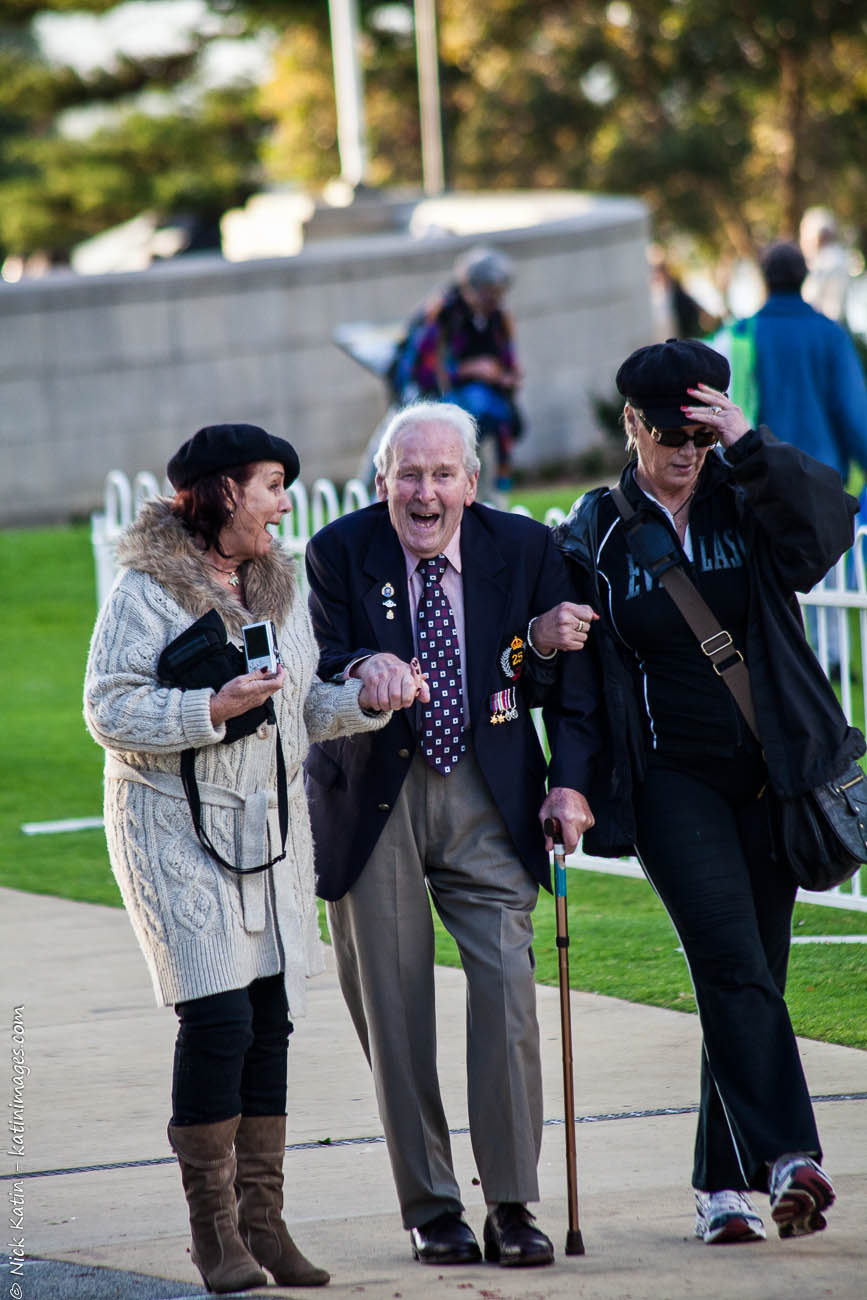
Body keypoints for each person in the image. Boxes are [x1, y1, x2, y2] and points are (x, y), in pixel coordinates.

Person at [84, 423, 407, 1294]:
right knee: (218, 1018)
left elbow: (299, 708)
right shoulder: (145, 591)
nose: (283, 502)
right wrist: (211, 709)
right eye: (271, 484)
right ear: (224, 490)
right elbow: (108, 710)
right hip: (169, 827)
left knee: (270, 1019)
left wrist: (369, 698)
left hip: (271, 834)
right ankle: (212, 1233)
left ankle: (264, 1226)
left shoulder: (278, 585)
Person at [552, 338, 861, 1246]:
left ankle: (718, 1189)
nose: (684, 452)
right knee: (730, 962)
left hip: (771, 776)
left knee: (751, 978)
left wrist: (750, 442)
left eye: (699, 432)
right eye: (667, 433)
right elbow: (567, 676)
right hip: (667, 781)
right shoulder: (595, 530)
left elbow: (827, 529)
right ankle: (788, 1162)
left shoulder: (744, 494)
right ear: (630, 425)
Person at [304, 401, 600, 1268]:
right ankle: (431, 1206)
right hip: (373, 802)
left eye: (441, 475)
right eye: (407, 474)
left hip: (488, 796)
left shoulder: (525, 550)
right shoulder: (337, 553)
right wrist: (366, 667)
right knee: (392, 1013)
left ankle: (511, 1204)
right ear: (382, 481)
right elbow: (319, 661)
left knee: (507, 991)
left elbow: (566, 683)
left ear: (472, 482)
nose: (424, 493)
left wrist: (571, 784)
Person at [388, 246, 524, 503]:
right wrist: (472, 369)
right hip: (433, 407)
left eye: (498, 293)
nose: (494, 299)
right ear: (471, 287)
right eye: (489, 292)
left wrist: (505, 377)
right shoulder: (443, 315)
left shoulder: (498, 318)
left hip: (482, 416)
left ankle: (490, 501)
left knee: (479, 475)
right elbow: (422, 372)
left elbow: (509, 365)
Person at [728, 241, 867, 481]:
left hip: (762, 479)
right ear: (804, 276)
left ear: (764, 277)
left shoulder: (743, 333)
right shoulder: (831, 334)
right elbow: (853, 411)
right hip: (823, 480)